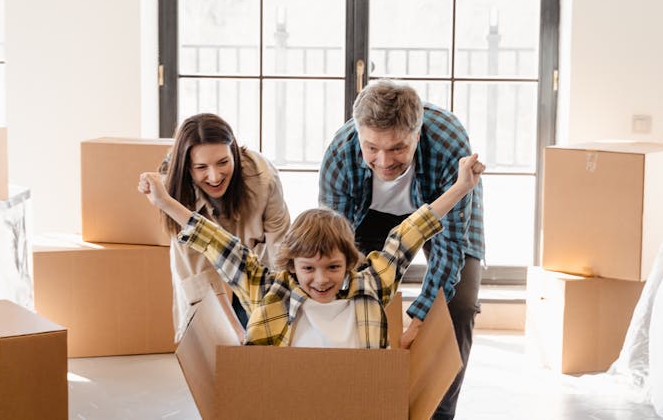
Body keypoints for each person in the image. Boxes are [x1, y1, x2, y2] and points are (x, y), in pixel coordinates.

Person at [138, 154, 484, 349]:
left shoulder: (371, 286)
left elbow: (409, 234)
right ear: (291, 266)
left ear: (350, 263)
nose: (321, 280)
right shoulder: (270, 292)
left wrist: (460, 187)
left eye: (333, 267)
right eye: (308, 269)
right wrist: (165, 202)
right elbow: (216, 241)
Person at [318, 80, 485, 418]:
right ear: (359, 134)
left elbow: (450, 244)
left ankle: (437, 412)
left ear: (417, 133)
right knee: (351, 293)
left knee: (459, 304)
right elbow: (332, 245)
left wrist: (421, 316)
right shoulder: (340, 154)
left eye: (397, 148)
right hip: (368, 216)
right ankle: (362, 400)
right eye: (372, 148)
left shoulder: (449, 144)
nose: (383, 161)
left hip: (440, 209)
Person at [158, 113, 290, 341]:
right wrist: (236, 333)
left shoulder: (263, 177)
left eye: (223, 162)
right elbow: (201, 276)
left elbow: (281, 245)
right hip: (203, 271)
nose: (215, 176)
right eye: (201, 167)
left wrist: (281, 310)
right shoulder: (174, 194)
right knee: (218, 340)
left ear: (235, 154)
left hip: (255, 265)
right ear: (187, 167)